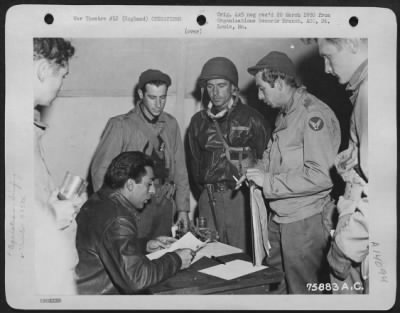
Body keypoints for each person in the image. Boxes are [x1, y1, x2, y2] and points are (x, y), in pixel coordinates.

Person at [242, 51, 341, 294]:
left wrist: (268, 181)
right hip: (281, 218)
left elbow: (321, 176)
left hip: (304, 222)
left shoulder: (312, 115)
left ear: (278, 83)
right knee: (276, 288)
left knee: (303, 294)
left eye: (262, 88)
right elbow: (272, 156)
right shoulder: (286, 113)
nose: (259, 95)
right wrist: (257, 171)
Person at [90, 69, 190, 239]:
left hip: (164, 203)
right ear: (140, 94)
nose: (158, 104)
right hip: (134, 205)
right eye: (152, 97)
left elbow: (180, 168)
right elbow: (100, 171)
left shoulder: (171, 124)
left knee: (162, 254)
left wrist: (183, 208)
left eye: (163, 97)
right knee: (133, 257)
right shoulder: (121, 125)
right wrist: (111, 212)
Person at [75, 151, 193, 294]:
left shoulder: (99, 200)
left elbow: (107, 246)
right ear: (130, 184)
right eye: (148, 184)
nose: (153, 191)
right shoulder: (118, 218)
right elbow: (136, 279)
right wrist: (177, 259)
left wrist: (144, 245)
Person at [187, 57, 270, 254]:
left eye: (221, 85)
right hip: (208, 198)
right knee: (207, 257)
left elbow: (268, 159)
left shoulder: (252, 118)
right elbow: (194, 164)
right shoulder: (198, 122)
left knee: (239, 258)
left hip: (238, 198)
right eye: (210, 86)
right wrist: (208, 193)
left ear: (233, 88)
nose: (215, 93)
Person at [33, 38, 86, 294]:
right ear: (43, 70)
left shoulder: (27, 126)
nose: (62, 84)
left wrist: (52, 202)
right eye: (62, 75)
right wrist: (53, 216)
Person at [318, 38, 368, 294]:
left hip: (361, 243)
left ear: (352, 42)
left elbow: (382, 195)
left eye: (328, 56)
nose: (326, 68)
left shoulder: (370, 94)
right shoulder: (365, 90)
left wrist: (344, 247)